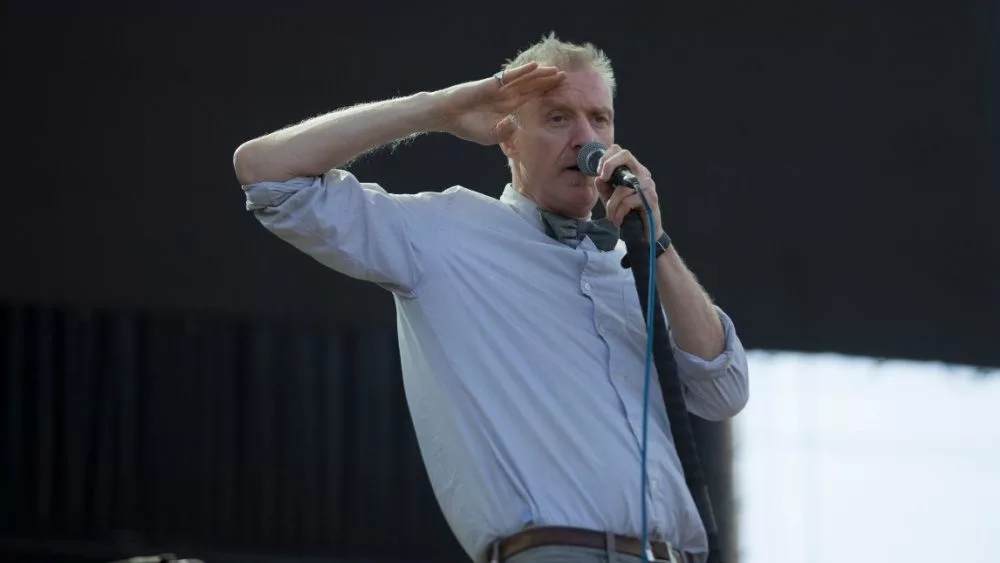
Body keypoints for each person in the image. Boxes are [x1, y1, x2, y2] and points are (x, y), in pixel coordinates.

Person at [233, 33, 749, 563]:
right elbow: (268, 175)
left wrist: (655, 239)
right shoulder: (448, 233)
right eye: (557, 118)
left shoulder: (635, 268)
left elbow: (724, 389)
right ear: (508, 137)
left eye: (599, 119)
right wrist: (437, 109)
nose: (585, 139)